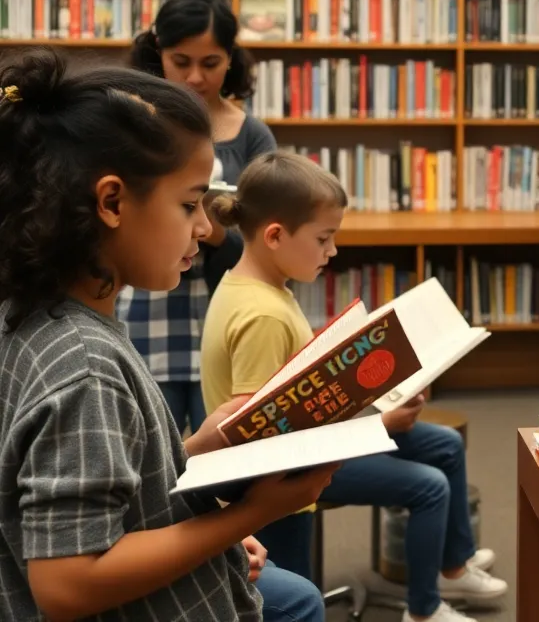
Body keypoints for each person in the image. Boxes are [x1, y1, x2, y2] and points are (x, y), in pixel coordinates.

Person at [0, 48, 333, 621]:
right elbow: (69, 582)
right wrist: (246, 516)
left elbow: (98, 494)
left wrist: (195, 452)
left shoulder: (42, 317)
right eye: (188, 204)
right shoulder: (83, 362)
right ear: (111, 202)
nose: (206, 228)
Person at [200, 151, 507, 622]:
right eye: (324, 238)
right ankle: (423, 610)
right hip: (287, 476)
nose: (333, 251)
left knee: (442, 445)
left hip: (313, 445)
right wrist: (379, 422)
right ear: (276, 235)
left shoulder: (263, 288)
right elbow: (265, 440)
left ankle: (452, 566)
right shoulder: (261, 314)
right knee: (429, 487)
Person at [118, 0, 276, 436]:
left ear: (231, 59)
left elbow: (268, 245)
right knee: (150, 449)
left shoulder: (252, 135)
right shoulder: (131, 120)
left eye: (210, 63)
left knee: (226, 454)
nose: (194, 77)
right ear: (158, 53)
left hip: (226, 312)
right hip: (149, 310)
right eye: (180, 60)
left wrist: (214, 236)